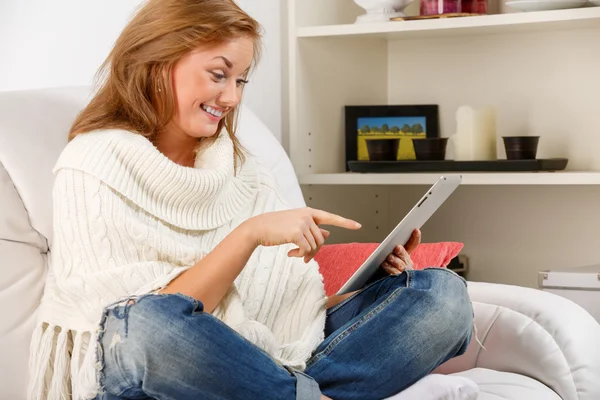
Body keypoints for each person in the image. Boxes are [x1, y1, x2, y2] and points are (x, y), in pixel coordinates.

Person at [27, 1, 473, 399]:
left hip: (244, 365)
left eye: (240, 80)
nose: (233, 97)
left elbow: (287, 319)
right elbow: (139, 321)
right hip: (155, 359)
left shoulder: (244, 171)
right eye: (219, 75)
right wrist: (249, 234)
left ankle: (283, 392)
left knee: (441, 294)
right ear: (155, 63)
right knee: (150, 326)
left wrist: (370, 288)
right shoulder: (93, 160)